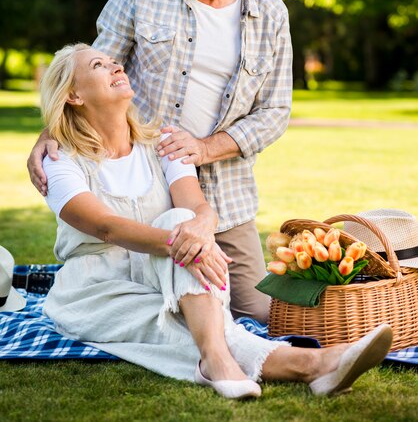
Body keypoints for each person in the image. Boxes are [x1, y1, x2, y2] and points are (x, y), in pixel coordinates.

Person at [38, 43, 393, 399]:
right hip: (97, 289)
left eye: (115, 62)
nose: (116, 67)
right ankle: (312, 365)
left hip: (165, 272)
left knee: (182, 219)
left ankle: (223, 363)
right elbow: (106, 228)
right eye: (99, 65)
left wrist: (202, 228)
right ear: (73, 95)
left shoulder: (163, 142)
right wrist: (187, 242)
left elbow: (197, 207)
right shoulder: (58, 162)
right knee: (176, 326)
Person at [29, 0, 290, 323]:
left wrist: (204, 149)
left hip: (226, 194)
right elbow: (91, 70)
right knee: (150, 297)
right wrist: (48, 134)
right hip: (146, 192)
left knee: (259, 312)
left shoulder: (271, 15)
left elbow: (275, 111)